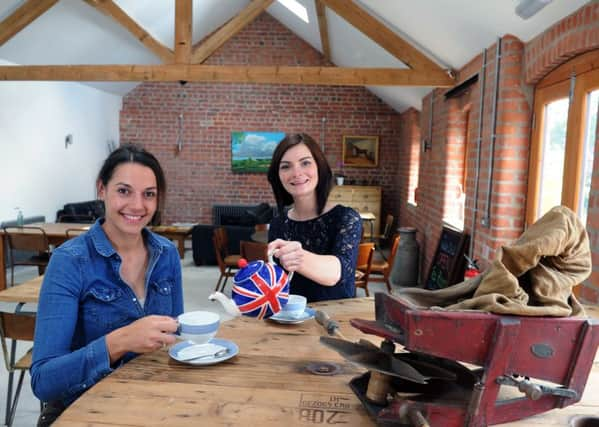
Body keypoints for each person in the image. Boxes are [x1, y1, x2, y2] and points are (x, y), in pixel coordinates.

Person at [31, 144, 183, 425]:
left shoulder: (167, 254)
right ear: (102, 189)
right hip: (84, 410)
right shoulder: (70, 261)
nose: (138, 205)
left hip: (155, 404)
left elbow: (175, 339)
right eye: (124, 191)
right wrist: (121, 341)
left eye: (148, 194)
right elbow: (43, 380)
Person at [267, 133, 362, 302]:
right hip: (287, 320)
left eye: (305, 163)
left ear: (320, 167)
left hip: (333, 322)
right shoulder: (278, 223)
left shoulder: (346, 218)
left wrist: (298, 257)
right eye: (286, 166)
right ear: (278, 176)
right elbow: (278, 284)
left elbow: (336, 273)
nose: (296, 173)